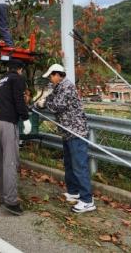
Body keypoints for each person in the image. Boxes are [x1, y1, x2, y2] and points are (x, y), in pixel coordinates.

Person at [38, 64, 96, 214]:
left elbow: (58, 106)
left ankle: (87, 201)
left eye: (51, 76)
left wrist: (45, 103)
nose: (50, 79)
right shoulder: (58, 87)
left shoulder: (67, 87)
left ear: (58, 74)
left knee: (79, 166)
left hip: (75, 131)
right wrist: (43, 101)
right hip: (67, 132)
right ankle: (73, 192)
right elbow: (51, 98)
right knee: (69, 164)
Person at [0, 59, 31, 216]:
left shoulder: (1, 80)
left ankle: (2, 197)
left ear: (8, 68)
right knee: (10, 162)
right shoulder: (17, 78)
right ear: (20, 69)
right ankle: (11, 202)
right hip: (7, 123)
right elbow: (18, 99)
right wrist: (25, 118)